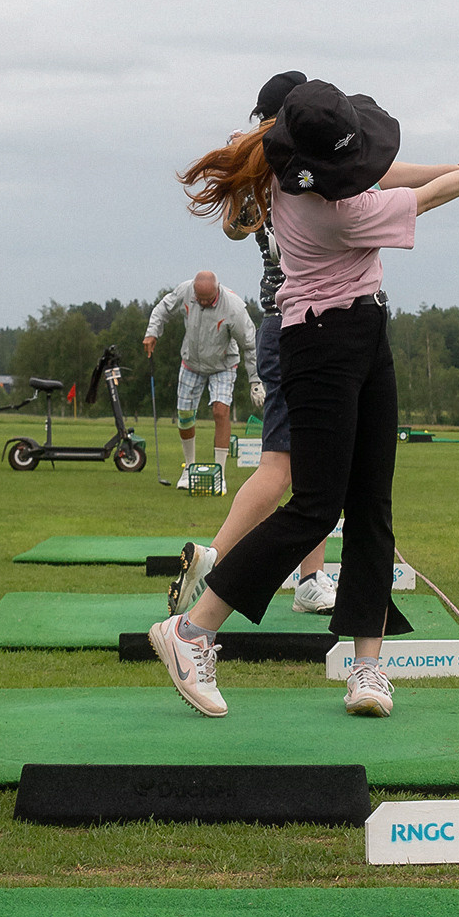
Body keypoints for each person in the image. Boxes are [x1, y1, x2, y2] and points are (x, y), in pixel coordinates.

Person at [147, 81, 459, 718]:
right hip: (320, 345)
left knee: (372, 501)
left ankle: (367, 670)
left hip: (365, 330)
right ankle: (193, 631)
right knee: (316, 505)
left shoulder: (288, 152)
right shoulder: (328, 209)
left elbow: (387, 172)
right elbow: (414, 200)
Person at [168, 71, 332, 617]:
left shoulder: (268, 172)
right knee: (281, 466)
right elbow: (239, 226)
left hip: (279, 324)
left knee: (310, 467)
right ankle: (217, 556)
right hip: (296, 328)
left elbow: (236, 227)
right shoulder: (290, 173)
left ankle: (311, 579)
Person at [143, 269, 258, 482]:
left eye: (208, 299)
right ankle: (189, 468)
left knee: (220, 411)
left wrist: (255, 380)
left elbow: (250, 345)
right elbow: (162, 309)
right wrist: (152, 332)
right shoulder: (186, 291)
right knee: (185, 415)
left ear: (217, 290)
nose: (203, 303)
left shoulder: (234, 308)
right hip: (191, 363)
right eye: (199, 299)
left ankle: (219, 474)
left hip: (223, 364)